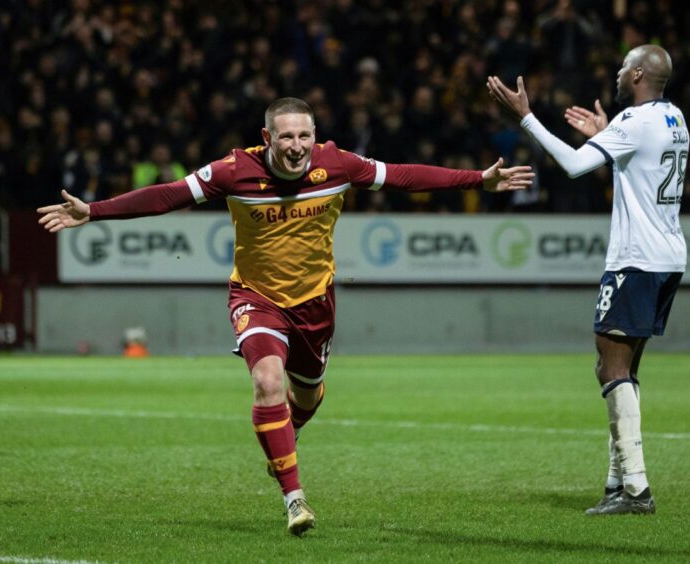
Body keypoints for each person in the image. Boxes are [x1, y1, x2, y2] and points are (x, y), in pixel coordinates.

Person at [38, 97, 533, 535]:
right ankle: (294, 498)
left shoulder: (337, 165)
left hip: (316, 304)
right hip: (255, 298)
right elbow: (167, 194)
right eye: (286, 136)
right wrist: (94, 211)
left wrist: (477, 179)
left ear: (314, 137)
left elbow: (402, 175)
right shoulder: (233, 171)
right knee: (267, 384)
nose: (296, 145)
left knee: (309, 395)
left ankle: (284, 436)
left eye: (304, 135)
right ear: (266, 138)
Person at [487, 44, 689, 515]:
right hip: (668, 255)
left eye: (623, 67)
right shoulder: (674, 118)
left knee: (611, 366)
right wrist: (607, 137)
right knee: (620, 371)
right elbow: (639, 165)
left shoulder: (632, 122)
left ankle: (636, 490)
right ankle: (618, 482)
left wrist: (526, 118)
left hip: (634, 259)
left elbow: (576, 166)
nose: (618, 73)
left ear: (638, 73)